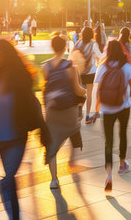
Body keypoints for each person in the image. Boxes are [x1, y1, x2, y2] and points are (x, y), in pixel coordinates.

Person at [0, 39, 48, 219]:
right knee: (10, 181)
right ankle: (14, 216)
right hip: (1, 138)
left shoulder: (19, 77)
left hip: (17, 135)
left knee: (7, 179)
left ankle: (13, 215)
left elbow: (31, 104)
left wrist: (43, 129)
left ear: (7, 55)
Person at [43, 34, 86, 190]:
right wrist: (85, 93)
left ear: (52, 48)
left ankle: (54, 180)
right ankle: (72, 160)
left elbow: (48, 88)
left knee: (52, 145)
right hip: (68, 111)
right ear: (65, 48)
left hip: (52, 111)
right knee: (74, 128)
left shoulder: (46, 68)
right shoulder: (71, 67)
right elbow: (77, 90)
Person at [94, 40, 131, 192]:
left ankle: (109, 175)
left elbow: (98, 90)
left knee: (108, 142)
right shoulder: (126, 66)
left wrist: (96, 109)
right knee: (122, 134)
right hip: (123, 106)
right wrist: (123, 96)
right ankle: (122, 164)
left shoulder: (103, 66)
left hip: (107, 108)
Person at [73, 27, 101, 124]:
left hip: (79, 73)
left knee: (81, 94)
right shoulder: (93, 44)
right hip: (90, 73)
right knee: (89, 95)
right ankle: (88, 116)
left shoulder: (78, 44)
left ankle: (79, 109)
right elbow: (100, 56)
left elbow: (72, 55)